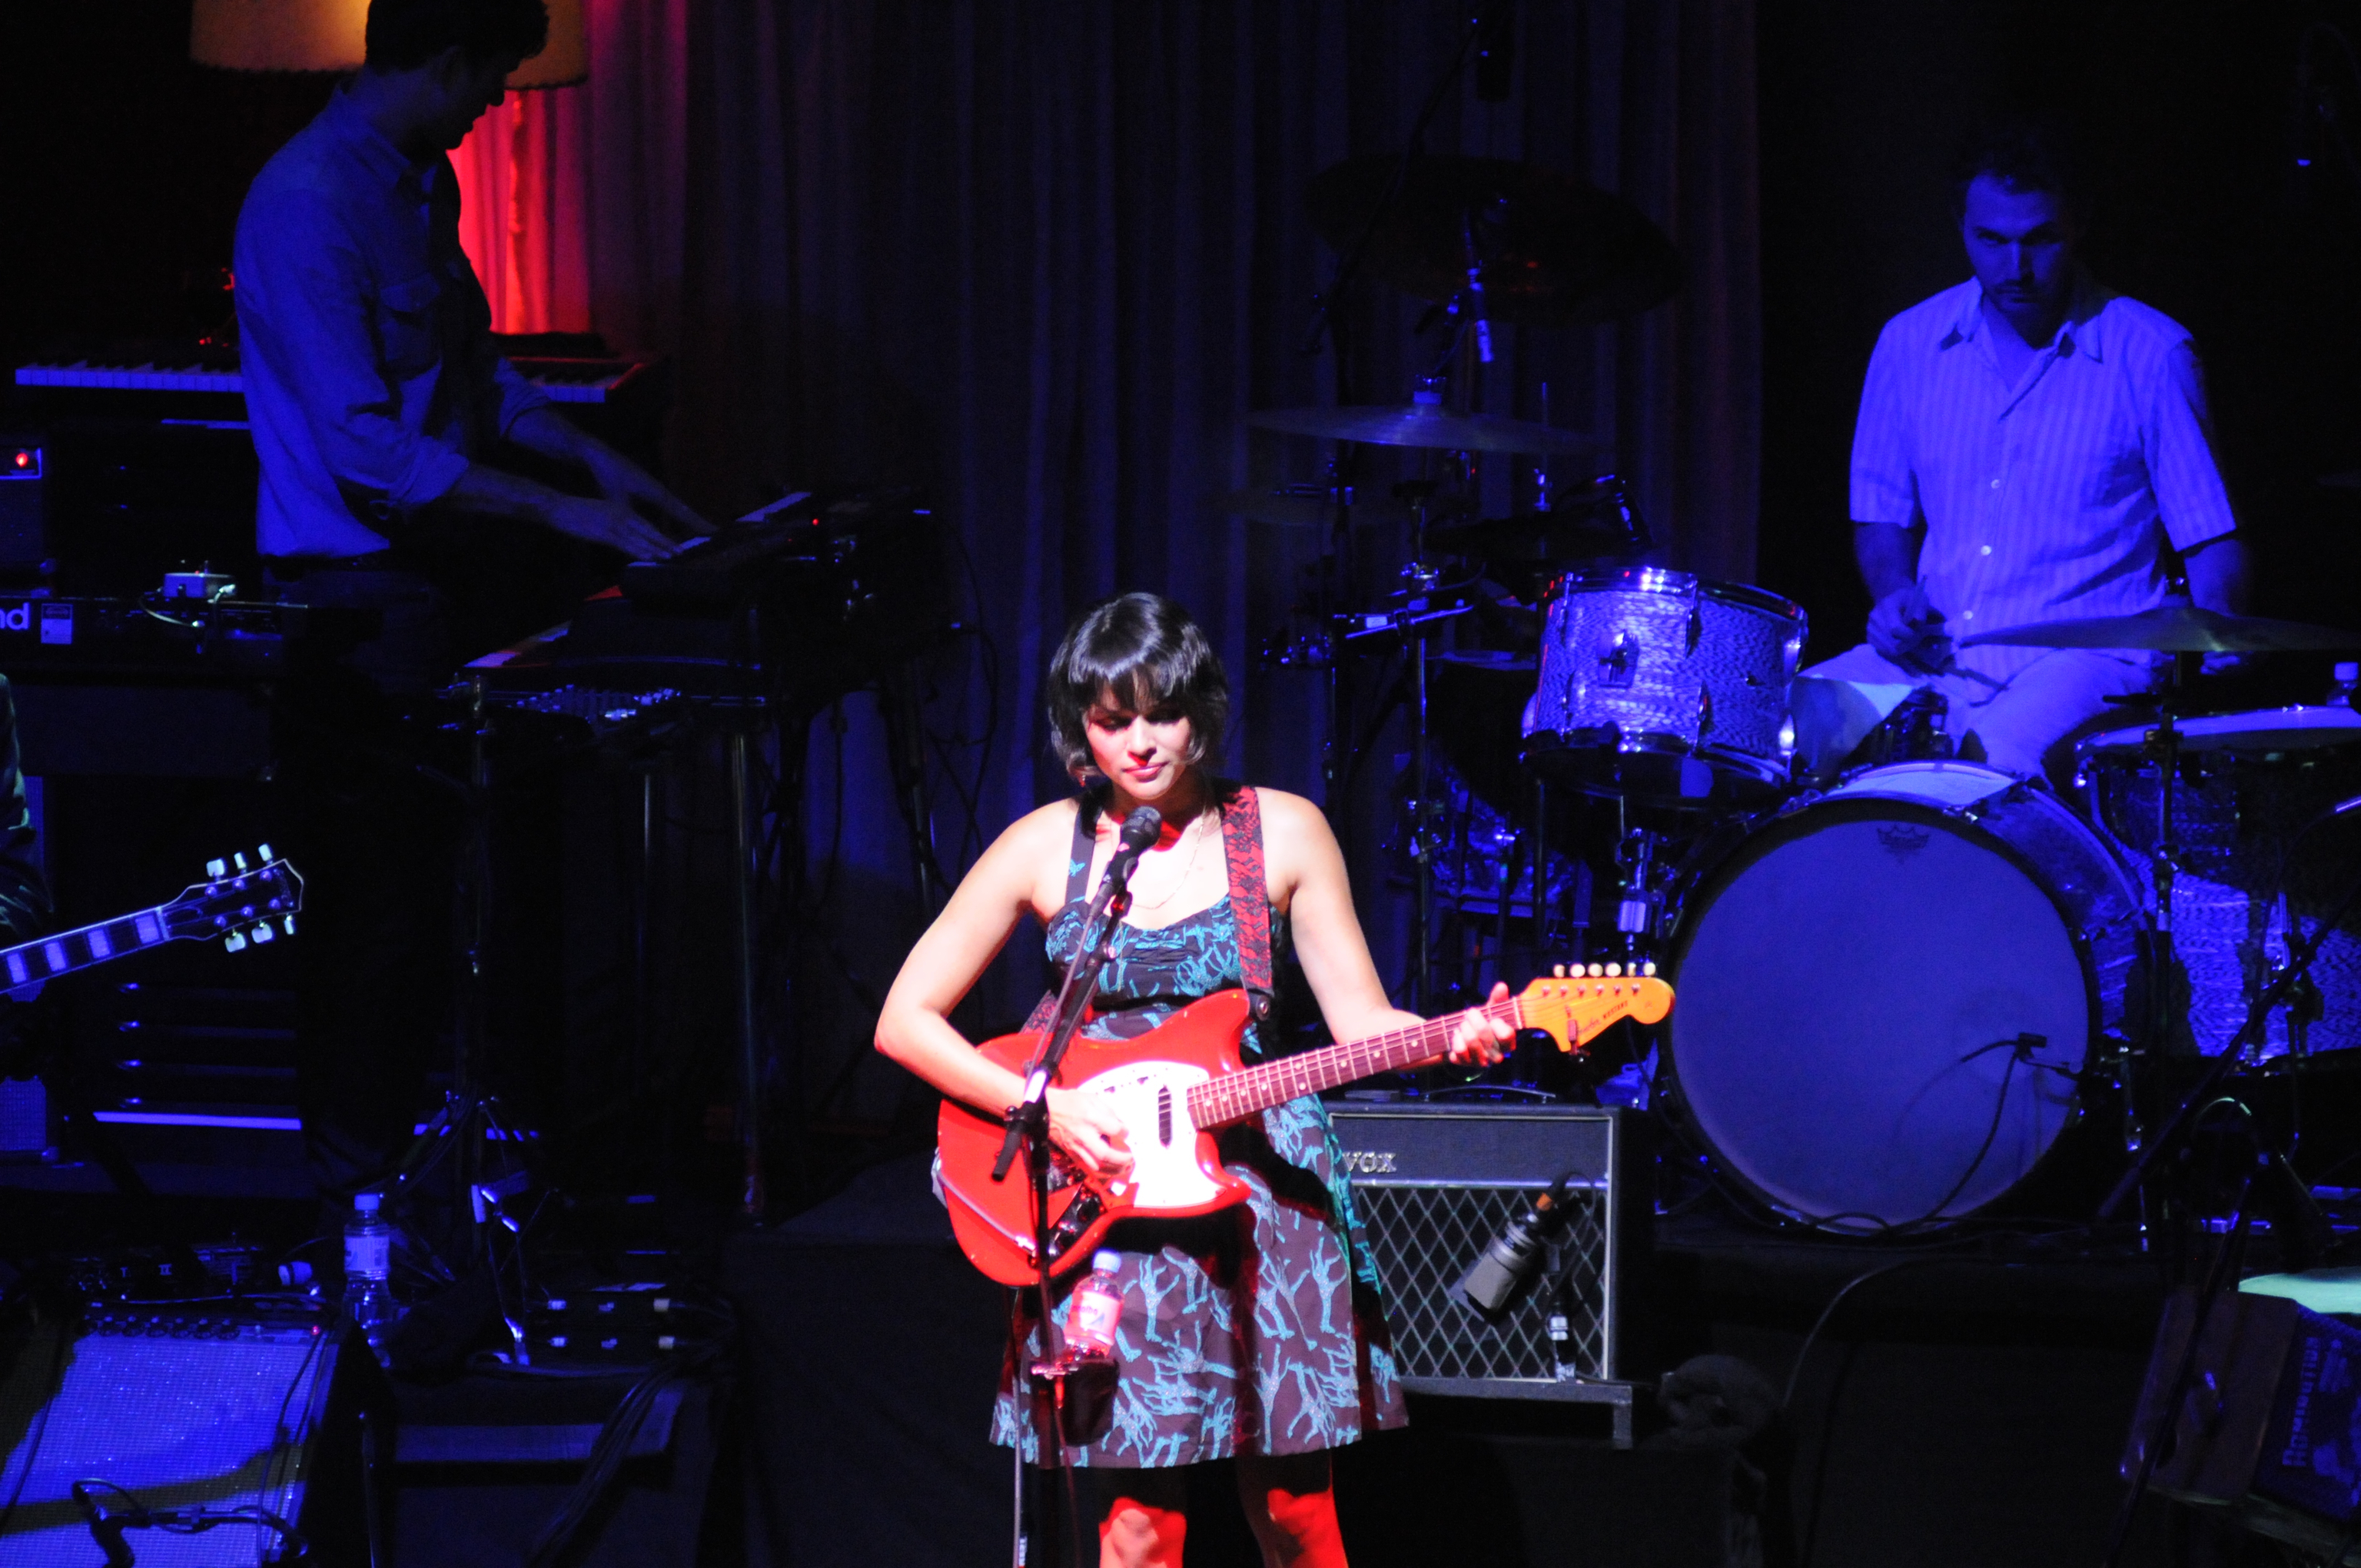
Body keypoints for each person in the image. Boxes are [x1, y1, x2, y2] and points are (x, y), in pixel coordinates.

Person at [875, 593, 1510, 1568]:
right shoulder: (1049, 843)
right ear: (1080, 730)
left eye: (1159, 714)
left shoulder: (1286, 832)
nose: (1137, 743)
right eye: (1110, 720)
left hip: (1264, 1196)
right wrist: (1039, 1105)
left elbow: (1362, 1022)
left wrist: (1451, 1034)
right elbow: (903, 1020)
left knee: (1299, 1512)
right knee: (1137, 1530)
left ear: (1201, 713)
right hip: (1110, 1191)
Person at [231, 0, 705, 1206]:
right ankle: (357, 1206)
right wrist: (569, 517)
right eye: (491, 75)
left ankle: (475, 1191)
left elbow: (477, 378)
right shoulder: (308, 203)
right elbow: (370, 456)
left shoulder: (418, 185)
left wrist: (603, 464)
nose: (499, 99)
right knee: (377, 918)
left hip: (435, 586)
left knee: (471, 899)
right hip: (356, 600)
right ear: (445, 62)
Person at [1790, 118, 2251, 784]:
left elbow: (2212, 536)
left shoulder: (2150, 352)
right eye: (1991, 240)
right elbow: (1882, 517)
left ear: (2079, 224)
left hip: (2084, 659)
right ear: (1960, 225)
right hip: (1938, 656)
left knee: (1990, 761)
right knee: (1781, 724)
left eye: (2039, 240)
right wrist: (1892, 595)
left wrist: (2221, 627)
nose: (2015, 268)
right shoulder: (1908, 344)